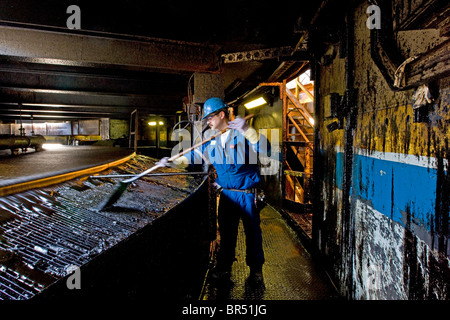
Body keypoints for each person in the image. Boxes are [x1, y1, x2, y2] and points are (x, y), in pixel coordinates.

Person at [157, 97, 270, 286]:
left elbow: (266, 150)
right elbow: (193, 156)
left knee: (252, 233)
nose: (207, 122)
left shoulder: (241, 135)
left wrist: (248, 130)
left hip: (247, 194)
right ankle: (224, 267)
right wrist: (171, 161)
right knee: (226, 233)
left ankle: (256, 270)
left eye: (210, 118)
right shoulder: (212, 140)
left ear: (221, 114)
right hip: (227, 194)